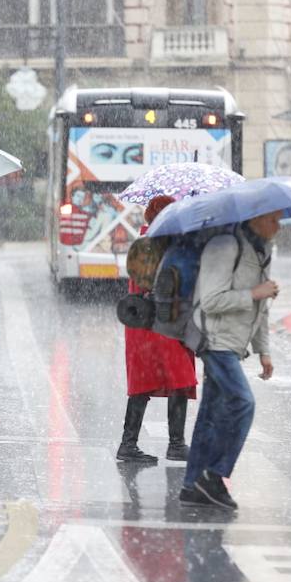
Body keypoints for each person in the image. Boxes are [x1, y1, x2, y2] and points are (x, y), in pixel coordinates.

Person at [179, 209, 282, 509]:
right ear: (255, 219)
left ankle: (192, 486)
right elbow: (211, 301)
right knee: (242, 403)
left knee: (210, 415)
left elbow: (260, 307)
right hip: (214, 339)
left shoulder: (261, 251)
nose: (279, 225)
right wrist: (253, 292)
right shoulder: (224, 247)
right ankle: (213, 475)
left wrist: (264, 350)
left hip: (233, 343)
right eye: (273, 219)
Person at [119, 196, 195, 464]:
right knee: (177, 378)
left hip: (153, 326)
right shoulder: (153, 245)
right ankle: (160, 444)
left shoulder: (158, 242)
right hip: (155, 325)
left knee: (168, 380)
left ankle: (152, 444)